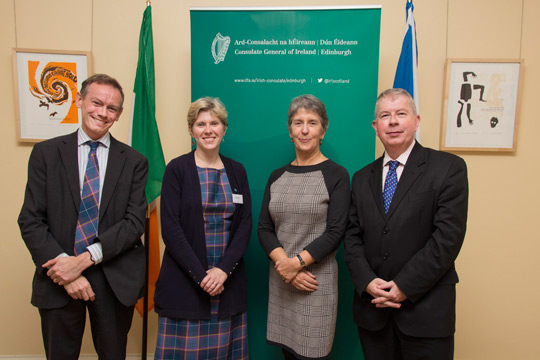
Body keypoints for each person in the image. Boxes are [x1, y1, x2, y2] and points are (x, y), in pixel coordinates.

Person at [18, 73, 149, 359]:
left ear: (119, 114)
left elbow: (134, 222)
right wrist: (66, 270)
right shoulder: (46, 153)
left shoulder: (135, 162)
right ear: (79, 100)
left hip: (112, 277)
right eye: (97, 103)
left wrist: (85, 259)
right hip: (57, 275)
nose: (102, 113)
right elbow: (31, 220)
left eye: (111, 108)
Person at [344, 88, 469, 360]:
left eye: (401, 114)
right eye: (385, 116)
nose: (393, 121)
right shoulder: (362, 177)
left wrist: (403, 286)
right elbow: (352, 238)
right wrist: (366, 282)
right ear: (375, 127)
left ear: (417, 120)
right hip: (373, 312)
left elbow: (447, 239)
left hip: (426, 313)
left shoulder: (448, 168)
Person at [154, 97, 251, 359]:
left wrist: (221, 271)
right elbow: (171, 229)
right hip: (186, 282)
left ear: (224, 128)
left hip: (226, 283)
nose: (208, 130)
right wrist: (203, 277)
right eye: (200, 124)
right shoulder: (177, 169)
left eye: (214, 123)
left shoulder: (237, 171)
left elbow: (244, 226)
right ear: (191, 130)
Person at [258, 94, 350, 360]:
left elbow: (335, 232)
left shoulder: (336, 175)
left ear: (324, 129)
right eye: (298, 122)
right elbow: (264, 228)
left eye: (312, 122)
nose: (305, 129)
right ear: (290, 130)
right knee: (288, 354)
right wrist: (287, 269)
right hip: (282, 283)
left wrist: (295, 265)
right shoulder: (277, 176)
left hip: (314, 285)